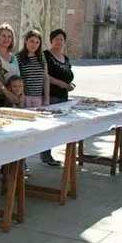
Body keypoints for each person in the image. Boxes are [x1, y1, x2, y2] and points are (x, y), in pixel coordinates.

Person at [41, 29, 74, 167]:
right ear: (51, 40)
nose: (59, 42)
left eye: (61, 39)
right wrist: (60, 83)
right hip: (52, 95)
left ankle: (50, 153)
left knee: (58, 127)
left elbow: (67, 74)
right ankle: (45, 154)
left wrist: (69, 84)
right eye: (56, 39)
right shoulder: (46, 55)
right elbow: (46, 75)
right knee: (49, 126)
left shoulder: (65, 58)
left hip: (63, 96)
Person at [16, 29, 49, 108]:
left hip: (39, 97)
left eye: (37, 42)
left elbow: (46, 77)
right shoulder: (18, 57)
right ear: (25, 41)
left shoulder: (42, 57)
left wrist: (47, 98)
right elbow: (17, 79)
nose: (34, 45)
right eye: (31, 41)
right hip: (25, 97)